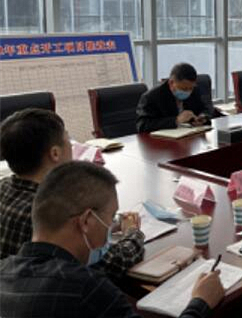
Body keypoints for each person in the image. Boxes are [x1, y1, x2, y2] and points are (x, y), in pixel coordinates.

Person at [0, 162, 224, 317]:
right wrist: (200, 302)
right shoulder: (86, 289)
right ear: (86, 221)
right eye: (110, 218)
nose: (111, 226)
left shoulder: (4, 270)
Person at [0, 109, 144, 279]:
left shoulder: (4, 187)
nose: (72, 147)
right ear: (55, 153)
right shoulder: (48, 211)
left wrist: (106, 224)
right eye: (68, 140)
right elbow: (111, 264)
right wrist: (134, 234)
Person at [136, 63, 211, 133]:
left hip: (189, 136)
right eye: (184, 89)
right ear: (171, 83)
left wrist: (202, 117)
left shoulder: (194, 90)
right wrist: (176, 120)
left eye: (191, 88)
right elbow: (142, 125)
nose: (188, 91)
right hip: (162, 140)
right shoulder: (152, 97)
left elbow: (207, 108)